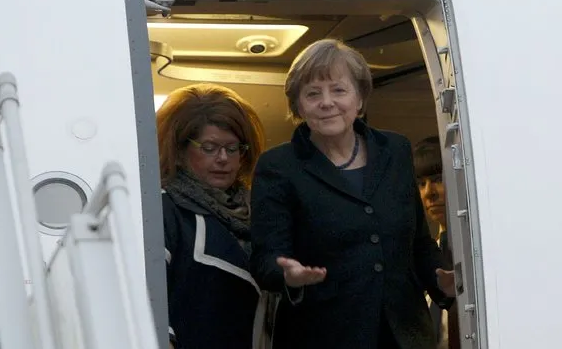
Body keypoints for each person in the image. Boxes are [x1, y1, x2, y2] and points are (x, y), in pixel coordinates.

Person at [249, 39, 456, 349]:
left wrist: (440, 280)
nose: (327, 102)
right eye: (313, 94)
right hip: (321, 335)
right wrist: (288, 275)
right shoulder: (278, 166)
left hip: (405, 335)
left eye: (339, 90)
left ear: (360, 99)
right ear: (298, 106)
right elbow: (265, 260)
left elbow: (418, 243)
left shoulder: (395, 150)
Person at [157, 83, 267, 349]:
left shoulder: (261, 213)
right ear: (179, 151)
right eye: (209, 147)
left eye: (233, 148)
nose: (222, 158)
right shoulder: (164, 206)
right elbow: (146, 297)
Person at [413, 136, 460, 349]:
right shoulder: (422, 258)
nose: (428, 193)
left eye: (438, 179)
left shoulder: (480, 252)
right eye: (421, 183)